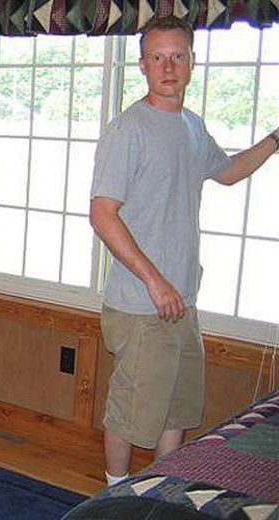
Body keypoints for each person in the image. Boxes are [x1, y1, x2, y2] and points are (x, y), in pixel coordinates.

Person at [90, 15, 279, 487]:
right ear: (143, 66)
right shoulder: (128, 129)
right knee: (132, 411)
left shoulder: (192, 128)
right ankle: (113, 499)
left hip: (182, 302)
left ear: (192, 62)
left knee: (175, 407)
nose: (168, 66)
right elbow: (102, 214)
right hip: (140, 305)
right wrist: (154, 282)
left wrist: (275, 140)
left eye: (178, 56)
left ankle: (158, 491)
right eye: (158, 57)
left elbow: (231, 170)